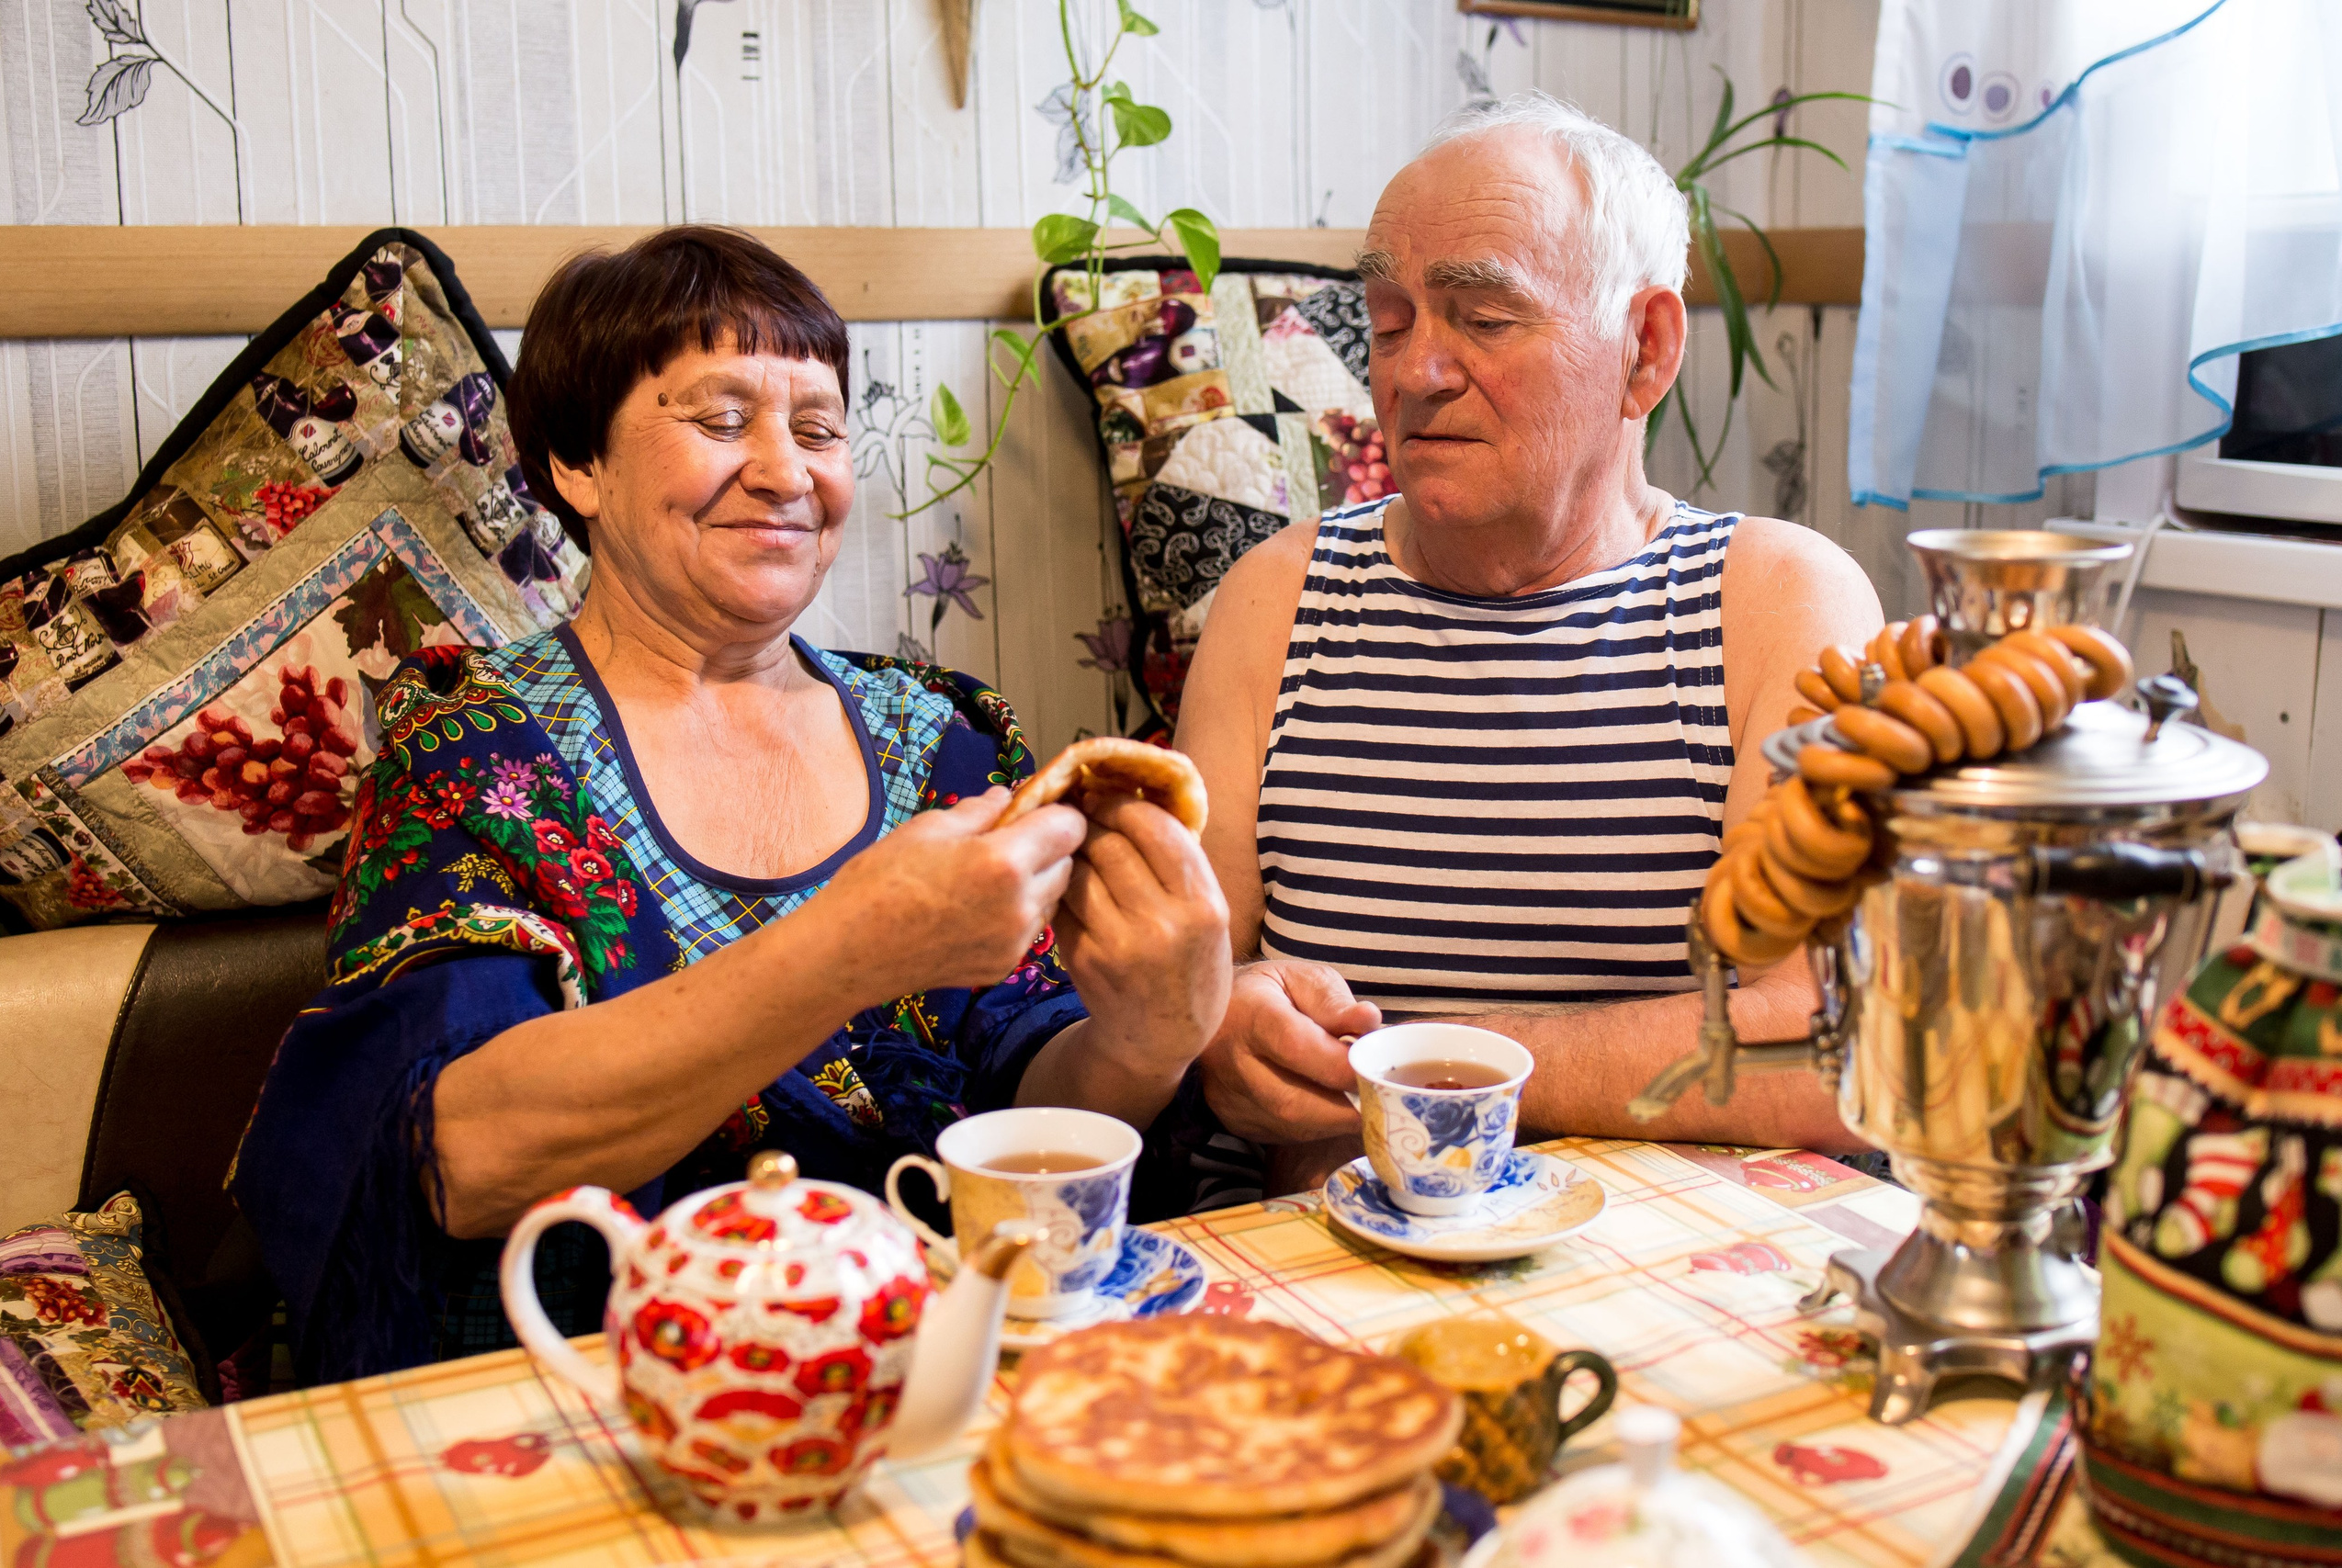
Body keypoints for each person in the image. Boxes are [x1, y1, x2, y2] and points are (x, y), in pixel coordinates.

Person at [232, 227, 1231, 1381]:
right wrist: (849, 947)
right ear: (579, 465)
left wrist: (1149, 1037)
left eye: (818, 428)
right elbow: (463, 1155)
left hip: (939, 1380)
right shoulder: (475, 752)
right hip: (618, 1393)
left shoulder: (946, 740)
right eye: (720, 419)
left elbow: (1028, 1102)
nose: (786, 472)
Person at [1175, 94, 1882, 1189]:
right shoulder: (1276, 600)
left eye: (1484, 319)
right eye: (1390, 321)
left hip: (1680, 1262)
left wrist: (1419, 1072)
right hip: (1324, 1258)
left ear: (1645, 350)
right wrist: (1217, 1030)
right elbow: (1183, 988)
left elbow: (1824, 1051)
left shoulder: (1776, 605)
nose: (1414, 374)